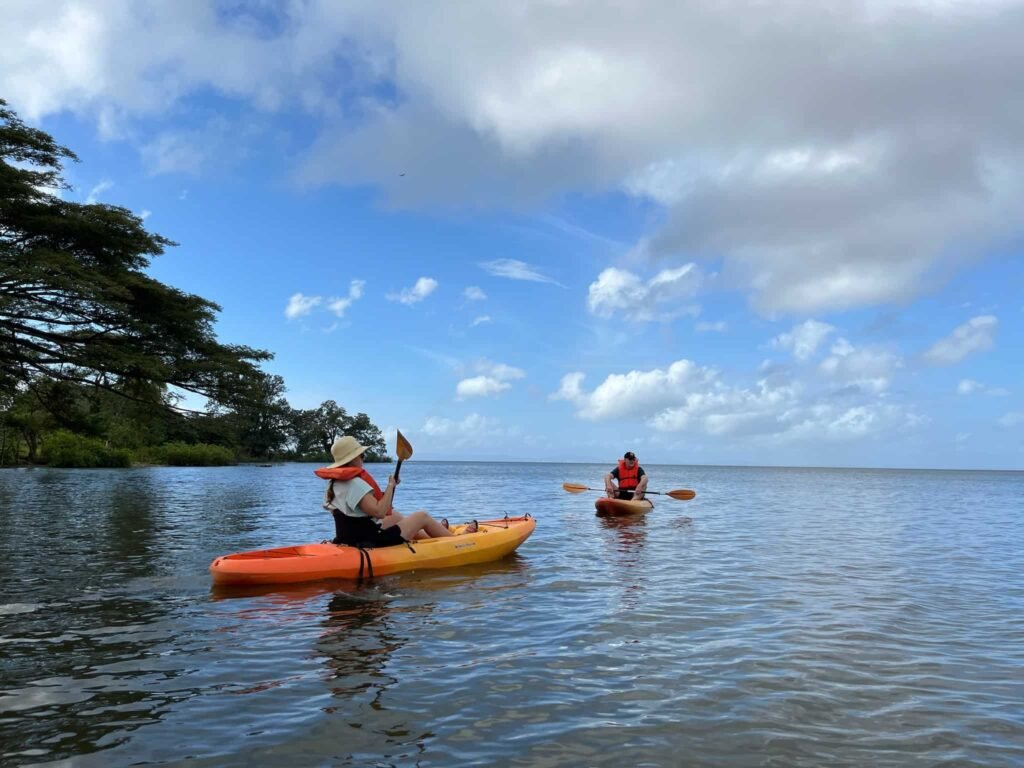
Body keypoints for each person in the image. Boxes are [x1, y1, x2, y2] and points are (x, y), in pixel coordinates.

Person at [321, 435, 477, 547]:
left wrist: (391, 487)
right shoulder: (355, 484)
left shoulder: (334, 483)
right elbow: (380, 512)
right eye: (361, 455)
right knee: (421, 516)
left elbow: (366, 510)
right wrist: (390, 486)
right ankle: (459, 542)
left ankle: (433, 537)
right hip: (369, 541)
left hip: (347, 538)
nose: (363, 458)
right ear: (353, 459)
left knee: (395, 516)